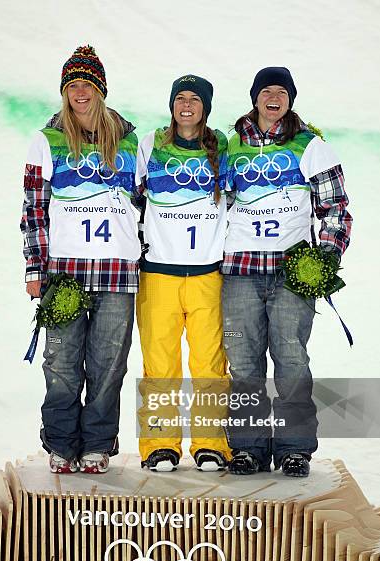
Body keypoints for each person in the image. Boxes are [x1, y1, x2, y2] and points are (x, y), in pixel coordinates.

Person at [222, 67, 352, 477]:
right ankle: (248, 447)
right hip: (240, 270)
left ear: (290, 99)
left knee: (291, 359)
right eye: (266, 91)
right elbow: (211, 204)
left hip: (290, 272)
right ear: (255, 98)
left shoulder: (309, 145)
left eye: (282, 91)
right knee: (243, 363)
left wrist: (324, 260)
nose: (274, 97)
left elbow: (335, 209)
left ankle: (295, 447)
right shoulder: (229, 145)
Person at [20, 45, 141, 474]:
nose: (79, 92)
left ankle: (97, 444)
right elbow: (34, 209)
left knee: (108, 365)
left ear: (100, 89)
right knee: (62, 363)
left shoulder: (129, 141)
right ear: (64, 91)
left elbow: (146, 204)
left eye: (87, 84)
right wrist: (36, 269)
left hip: (117, 272)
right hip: (66, 272)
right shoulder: (47, 140)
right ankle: (60, 443)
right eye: (72, 85)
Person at [136, 75, 232, 472]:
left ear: (205, 107)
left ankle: (210, 444)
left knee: (210, 362)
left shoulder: (222, 147)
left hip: (207, 273)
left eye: (195, 99)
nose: (187, 105)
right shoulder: (150, 145)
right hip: (159, 272)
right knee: (160, 362)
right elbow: (129, 196)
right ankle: (160, 445)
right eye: (180, 98)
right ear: (172, 105)